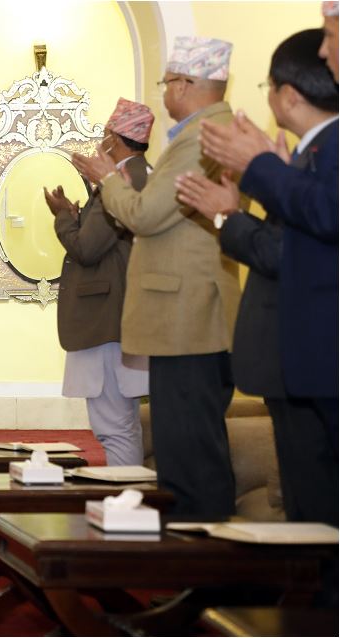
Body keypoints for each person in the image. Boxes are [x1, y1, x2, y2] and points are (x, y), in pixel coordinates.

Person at [72, 36, 241, 517]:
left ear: (186, 84)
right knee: (181, 450)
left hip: (188, 315)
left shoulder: (203, 138)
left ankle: (205, 571)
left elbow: (146, 217)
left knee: (190, 455)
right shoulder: (203, 133)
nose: (164, 92)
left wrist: (108, 179)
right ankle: (195, 567)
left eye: (168, 82)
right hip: (184, 314)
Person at [178, 29, 339, 526]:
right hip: (304, 354)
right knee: (310, 509)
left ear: (287, 95)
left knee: (318, 512)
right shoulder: (310, 153)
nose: (326, 51)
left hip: (314, 349)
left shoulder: (329, 146)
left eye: (332, 35)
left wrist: (235, 207)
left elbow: (303, 238)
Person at [45, 98, 154, 467]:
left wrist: (63, 217)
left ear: (115, 140)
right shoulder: (137, 174)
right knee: (119, 423)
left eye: (106, 133)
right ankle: (130, 504)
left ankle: (128, 510)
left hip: (106, 318)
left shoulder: (124, 179)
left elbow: (88, 248)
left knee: (114, 425)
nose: (101, 140)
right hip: (116, 315)